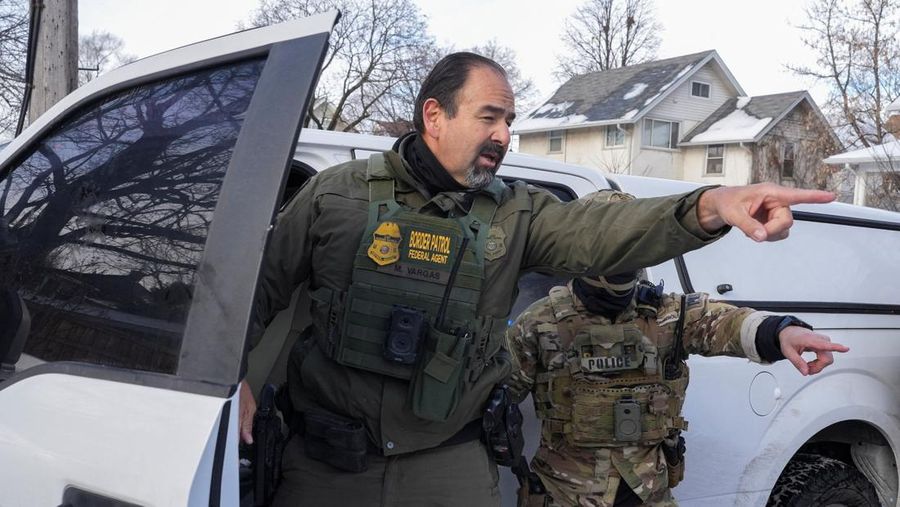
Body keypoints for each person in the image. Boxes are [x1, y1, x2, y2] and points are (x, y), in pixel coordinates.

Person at [245, 52, 836, 507]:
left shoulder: (517, 212)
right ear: (435, 115)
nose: (504, 135)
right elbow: (253, 290)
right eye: (489, 117)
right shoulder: (337, 192)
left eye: (509, 120)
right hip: (326, 463)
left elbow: (606, 228)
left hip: (446, 464)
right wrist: (228, 383)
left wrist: (712, 203)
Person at [505, 192, 848, 507]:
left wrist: (781, 332)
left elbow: (724, 324)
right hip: (563, 494)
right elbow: (495, 394)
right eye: (612, 243)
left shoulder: (669, 314)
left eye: (631, 243)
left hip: (646, 493)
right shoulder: (540, 322)